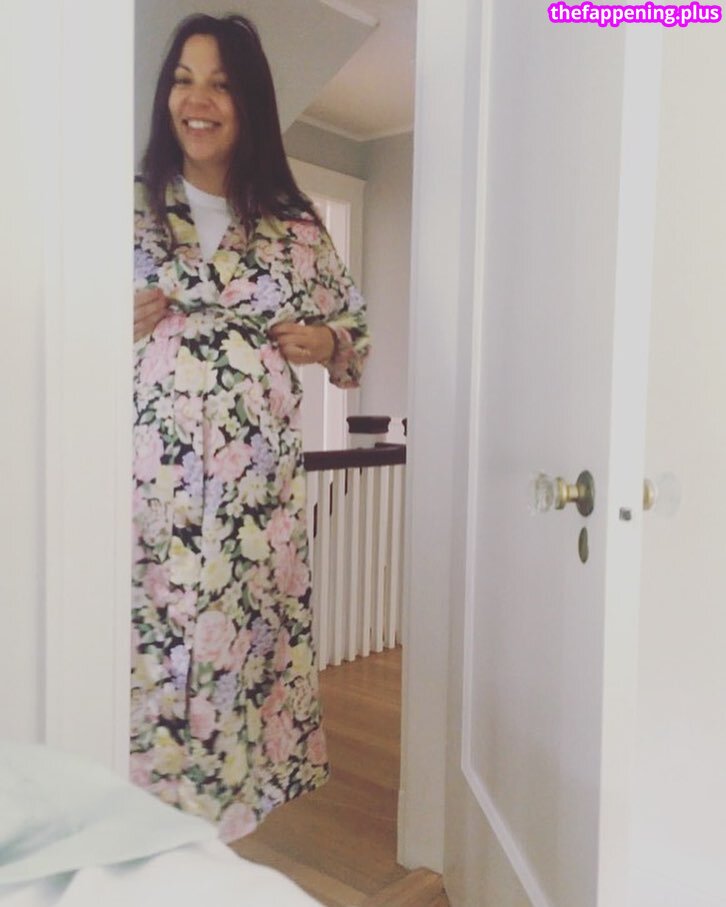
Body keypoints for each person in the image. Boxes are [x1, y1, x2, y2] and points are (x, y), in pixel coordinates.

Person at [131, 13, 370, 844]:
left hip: (252, 502)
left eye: (221, 84)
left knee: (238, 656)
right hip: (145, 494)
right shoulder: (121, 206)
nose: (197, 100)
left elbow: (356, 329)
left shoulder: (294, 224)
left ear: (251, 104)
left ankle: (221, 844)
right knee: (147, 653)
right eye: (183, 80)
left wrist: (328, 341)